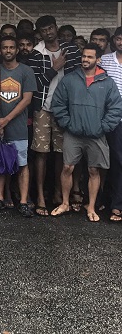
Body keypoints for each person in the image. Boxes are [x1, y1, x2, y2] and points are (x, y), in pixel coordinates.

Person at [51, 44, 122, 222]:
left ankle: (91, 207)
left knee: (93, 170)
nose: (85, 59)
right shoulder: (70, 79)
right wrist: (67, 123)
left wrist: (103, 127)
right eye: (84, 56)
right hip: (73, 133)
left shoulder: (107, 82)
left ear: (98, 60)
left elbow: (115, 108)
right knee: (67, 167)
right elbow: (58, 103)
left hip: (96, 135)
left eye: (90, 57)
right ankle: (65, 203)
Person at [29, 15, 82, 216]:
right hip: (42, 107)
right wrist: (54, 69)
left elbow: (78, 76)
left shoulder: (71, 50)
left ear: (56, 28)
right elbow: (34, 85)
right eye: (44, 30)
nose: (48, 32)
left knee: (62, 152)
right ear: (40, 33)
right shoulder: (36, 53)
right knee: (41, 153)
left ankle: (60, 194)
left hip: (65, 110)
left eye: (51, 28)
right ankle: (41, 196)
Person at [0, 36, 37, 217]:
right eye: (4, 48)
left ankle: (24, 201)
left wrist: (6, 119)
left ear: (17, 50)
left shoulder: (26, 71)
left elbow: (27, 99)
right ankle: (0, 198)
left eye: (11, 48)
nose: (8, 51)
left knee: (22, 164)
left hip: (17, 127)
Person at [100, 27, 122, 222]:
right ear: (114, 40)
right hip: (110, 120)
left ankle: (116, 203)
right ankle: (109, 201)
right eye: (119, 39)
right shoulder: (105, 60)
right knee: (110, 162)